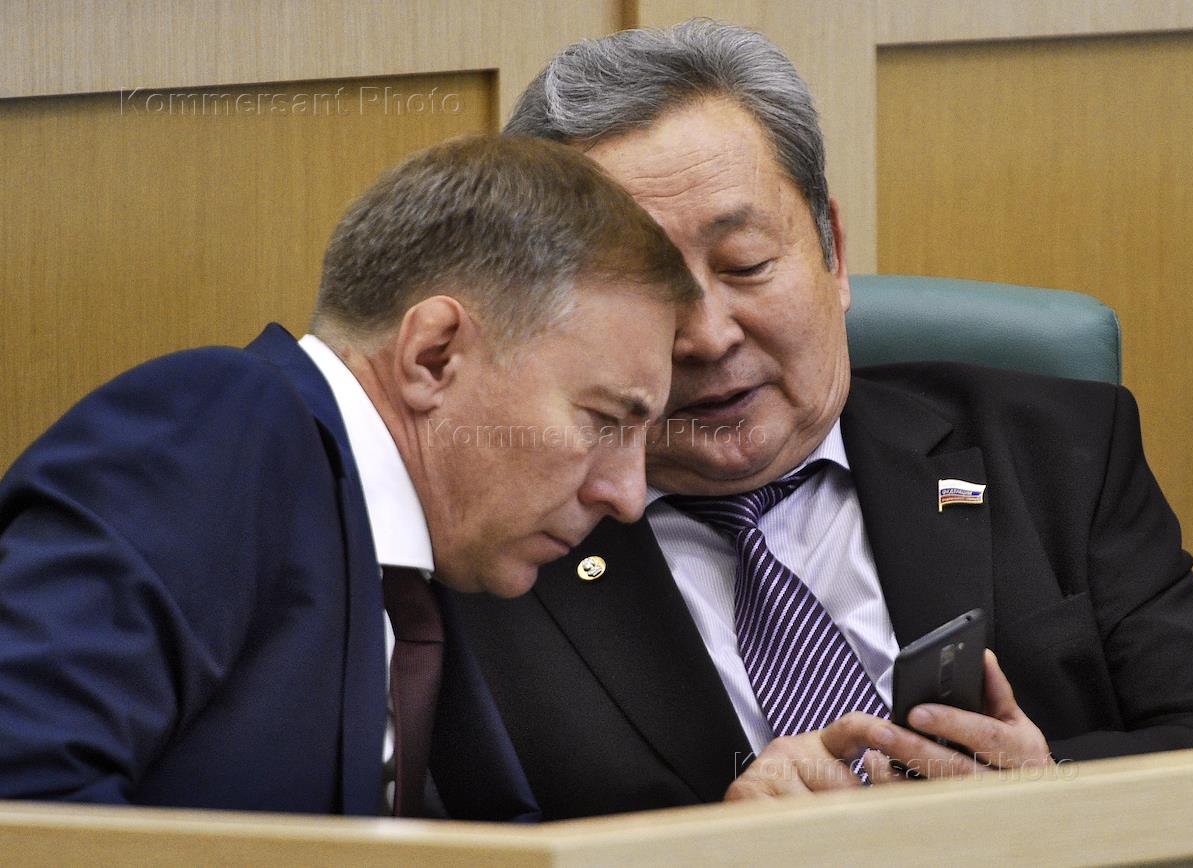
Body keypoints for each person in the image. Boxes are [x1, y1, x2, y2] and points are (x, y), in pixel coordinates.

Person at [448, 20, 1193, 819]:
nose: (708, 336)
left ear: (833, 252)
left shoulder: (1058, 450)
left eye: (746, 265)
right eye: (643, 291)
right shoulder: (483, 554)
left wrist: (1050, 791)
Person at [0, 135, 698, 817]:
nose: (628, 495)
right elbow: (24, 795)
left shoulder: (435, 551)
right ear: (433, 356)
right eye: (605, 420)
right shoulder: (221, 424)